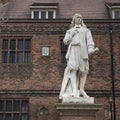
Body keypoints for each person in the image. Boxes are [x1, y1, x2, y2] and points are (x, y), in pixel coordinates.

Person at [59, 13, 98, 99]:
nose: (79, 19)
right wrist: (71, 34)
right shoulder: (69, 31)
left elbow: (90, 42)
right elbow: (65, 41)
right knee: (73, 70)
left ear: (82, 20)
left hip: (82, 51)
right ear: (74, 19)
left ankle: (81, 89)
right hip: (73, 50)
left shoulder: (86, 30)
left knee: (83, 71)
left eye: (80, 17)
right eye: (77, 17)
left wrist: (91, 49)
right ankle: (74, 90)